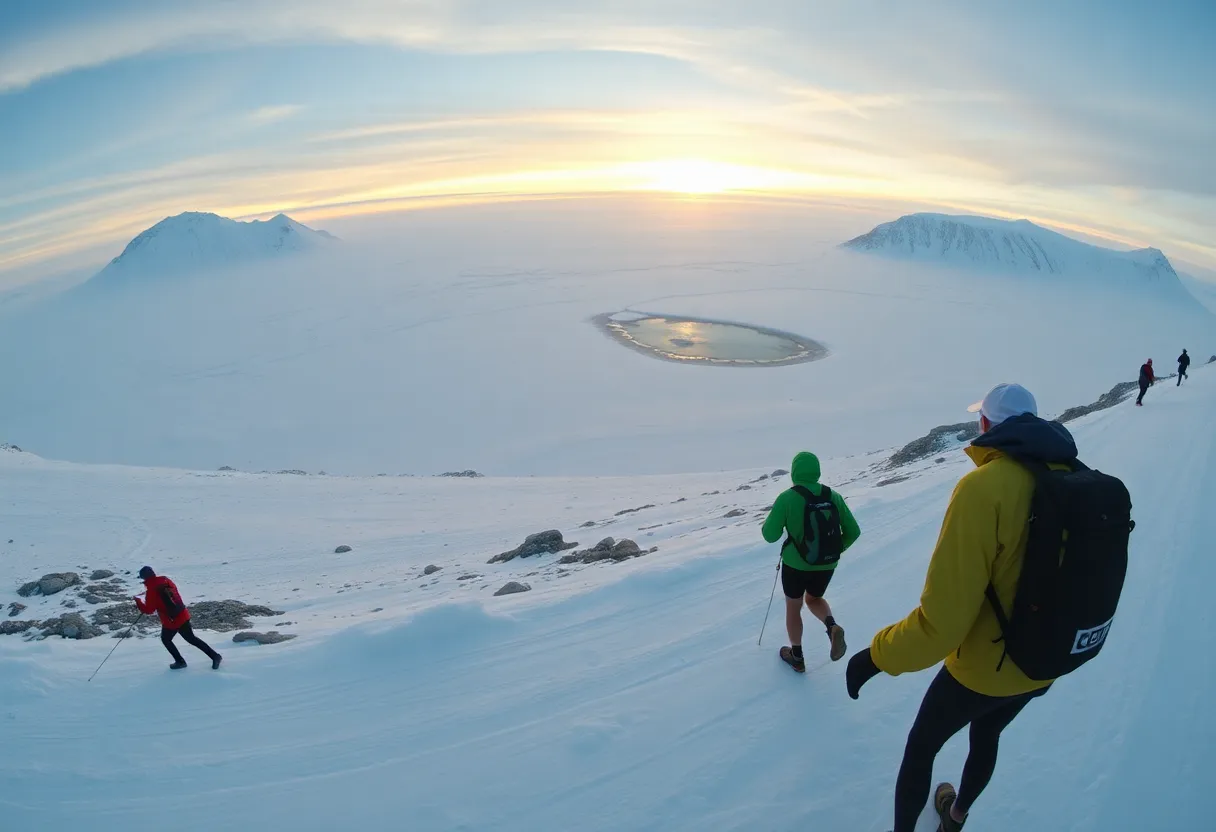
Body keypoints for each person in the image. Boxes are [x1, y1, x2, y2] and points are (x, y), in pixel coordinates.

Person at [844, 384, 1075, 832]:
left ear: (986, 426)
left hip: (986, 668)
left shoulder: (982, 489)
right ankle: (955, 817)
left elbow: (941, 625)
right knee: (987, 732)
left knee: (921, 747)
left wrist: (875, 657)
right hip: (1045, 661)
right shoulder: (1069, 476)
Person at [761, 451, 860, 672]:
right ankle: (831, 626)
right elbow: (854, 531)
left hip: (795, 565)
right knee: (814, 598)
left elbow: (770, 535)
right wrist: (836, 549)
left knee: (793, 607)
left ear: (794, 472)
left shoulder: (787, 498)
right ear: (817, 471)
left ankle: (797, 656)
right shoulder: (833, 496)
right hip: (826, 564)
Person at [134, 566, 222, 670]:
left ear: (144, 578)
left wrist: (138, 601)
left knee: (166, 639)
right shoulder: (166, 581)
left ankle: (180, 662)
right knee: (191, 638)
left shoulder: (151, 591)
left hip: (171, 621)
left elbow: (149, 610)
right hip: (182, 614)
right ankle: (215, 656)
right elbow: (165, 594)